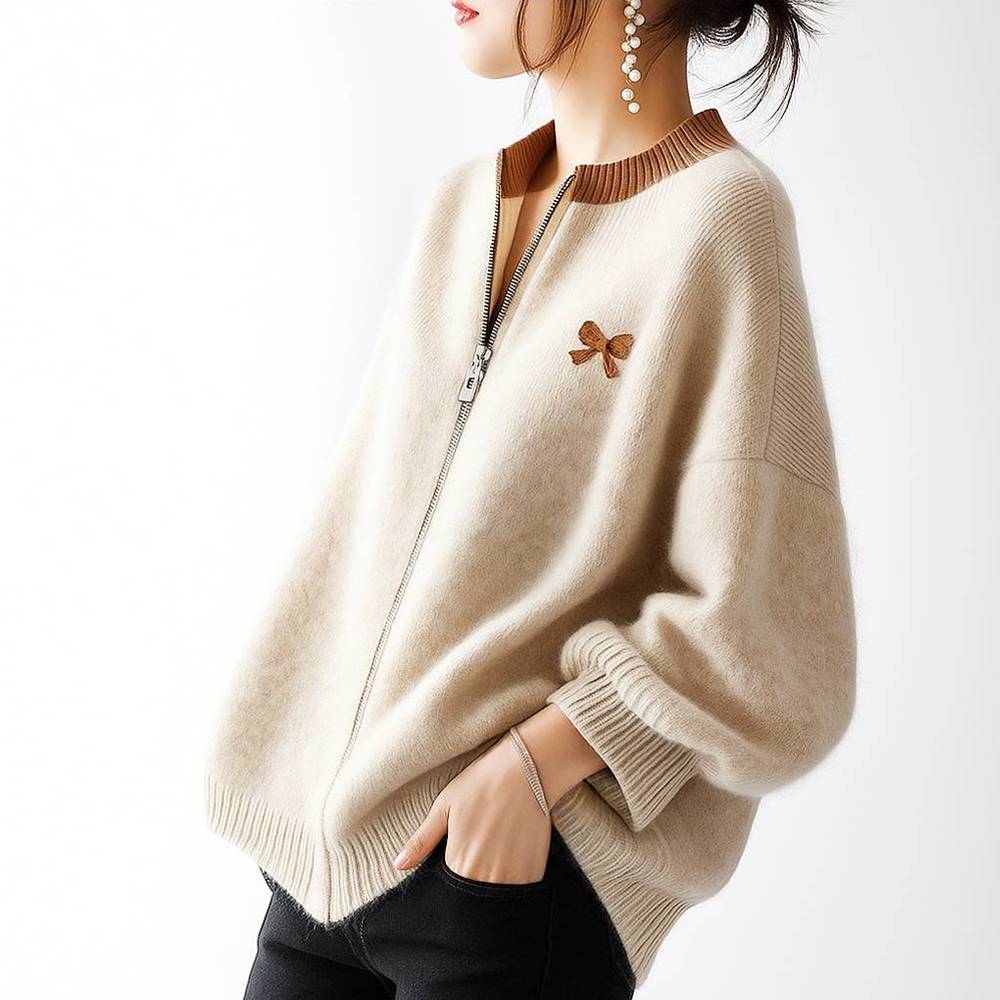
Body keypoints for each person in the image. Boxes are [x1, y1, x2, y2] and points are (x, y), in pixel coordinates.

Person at [205, 2, 857, 996]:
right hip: (316, 872)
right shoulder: (462, 206)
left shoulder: (722, 221)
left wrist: (545, 758)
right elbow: (361, 527)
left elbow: (772, 634)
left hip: (504, 895)